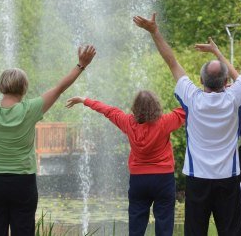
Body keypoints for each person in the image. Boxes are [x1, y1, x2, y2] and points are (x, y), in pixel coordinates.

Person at [133, 12, 241, 236]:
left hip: (197, 179)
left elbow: (172, 62)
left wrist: (155, 32)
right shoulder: (234, 98)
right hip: (228, 180)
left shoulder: (192, 98)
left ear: (200, 81)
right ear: (227, 82)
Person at [0, 27, 96, 235]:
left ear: (1, 87)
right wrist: (81, 65)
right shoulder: (30, 110)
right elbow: (59, 88)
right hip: (23, 183)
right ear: (24, 89)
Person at [65, 91, 185, 236]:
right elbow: (190, 106)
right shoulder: (165, 122)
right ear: (156, 107)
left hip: (138, 181)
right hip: (163, 179)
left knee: (136, 228)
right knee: (164, 226)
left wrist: (84, 100)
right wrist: (211, 90)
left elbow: (107, 110)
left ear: (135, 107)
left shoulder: (128, 123)